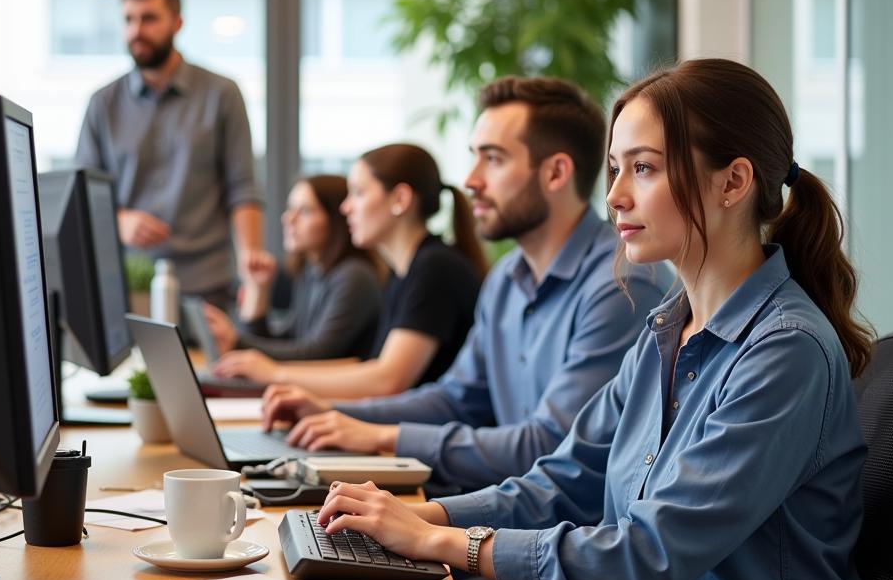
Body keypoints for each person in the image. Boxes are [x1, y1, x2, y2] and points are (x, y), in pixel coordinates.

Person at [316, 58, 876, 580]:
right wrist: (414, 517)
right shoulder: (663, 333)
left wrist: (447, 543)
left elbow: (643, 557)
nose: (613, 196)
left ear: (733, 182)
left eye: (641, 169)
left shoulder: (785, 354)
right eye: (615, 168)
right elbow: (561, 480)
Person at [262, 76, 670, 493]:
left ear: (555, 173)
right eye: (474, 157)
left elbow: (550, 443)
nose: (470, 180)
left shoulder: (622, 285)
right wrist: (336, 412)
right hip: (506, 507)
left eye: (492, 159)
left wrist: (385, 436)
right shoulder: (506, 279)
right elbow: (455, 399)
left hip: (556, 532)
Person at [209, 142, 486, 396]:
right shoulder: (405, 272)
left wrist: (275, 373)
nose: (345, 207)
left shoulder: (434, 268)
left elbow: (387, 380)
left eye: (358, 193)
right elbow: (368, 367)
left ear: (400, 200)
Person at [75, 0, 265, 309]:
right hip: (128, 282)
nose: (137, 30)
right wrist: (119, 221)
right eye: (129, 20)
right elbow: (81, 194)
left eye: (149, 18)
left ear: (177, 23)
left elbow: (242, 188)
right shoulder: (102, 104)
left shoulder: (222, 95)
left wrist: (250, 263)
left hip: (206, 283)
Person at [201, 174, 382, 361]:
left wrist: (237, 342)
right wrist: (259, 290)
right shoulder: (312, 272)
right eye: (290, 209)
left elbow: (318, 353)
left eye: (304, 211)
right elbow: (289, 341)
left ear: (336, 219)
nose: (288, 218)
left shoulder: (354, 276)